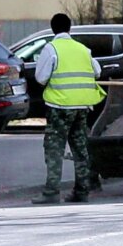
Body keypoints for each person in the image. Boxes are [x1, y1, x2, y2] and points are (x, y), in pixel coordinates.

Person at [31, 13, 106, 204]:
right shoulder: (82, 49)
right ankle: (82, 191)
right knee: (80, 147)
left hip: (59, 106)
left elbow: (40, 78)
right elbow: (97, 71)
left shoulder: (51, 48)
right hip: (82, 106)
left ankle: (51, 192)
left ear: (53, 28)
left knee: (54, 148)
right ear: (69, 28)